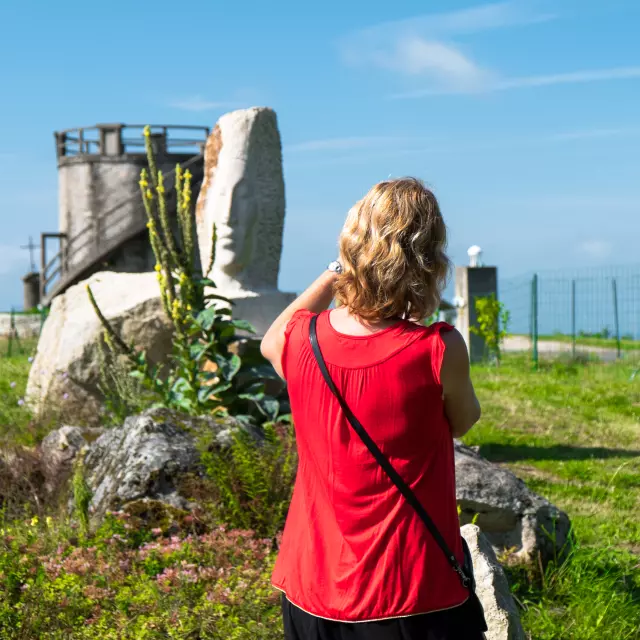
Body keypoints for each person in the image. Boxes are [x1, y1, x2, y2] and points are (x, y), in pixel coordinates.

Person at [261, 178, 484, 640]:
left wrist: (332, 274)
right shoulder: (437, 349)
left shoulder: (304, 340)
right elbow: (463, 421)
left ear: (352, 247)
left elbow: (270, 341)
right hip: (410, 594)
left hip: (311, 590)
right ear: (428, 260)